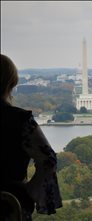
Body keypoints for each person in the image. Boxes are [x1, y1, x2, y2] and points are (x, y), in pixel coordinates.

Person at [0, 54, 62, 220]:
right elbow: (49, 160)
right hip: (9, 207)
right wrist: (28, 192)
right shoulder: (19, 120)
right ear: (11, 83)